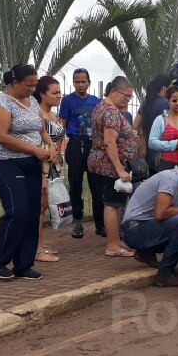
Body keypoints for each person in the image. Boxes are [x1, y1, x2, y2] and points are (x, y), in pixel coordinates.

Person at [0, 64, 58, 280]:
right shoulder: (1, 103)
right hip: (7, 163)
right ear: (15, 82)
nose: (32, 89)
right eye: (29, 85)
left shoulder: (32, 101)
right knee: (18, 211)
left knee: (33, 213)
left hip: (31, 164)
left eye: (35, 85)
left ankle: (24, 265)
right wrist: (34, 150)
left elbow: (41, 129)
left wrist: (51, 146)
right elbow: (1, 136)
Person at [121, 151, 178, 286]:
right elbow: (160, 214)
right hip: (134, 230)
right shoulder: (170, 179)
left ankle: (146, 252)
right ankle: (165, 274)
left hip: (143, 227)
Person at [87, 76, 138, 257]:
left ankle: (115, 241)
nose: (127, 100)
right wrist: (120, 169)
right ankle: (112, 246)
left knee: (114, 203)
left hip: (102, 162)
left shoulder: (101, 107)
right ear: (114, 91)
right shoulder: (110, 112)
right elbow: (110, 142)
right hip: (109, 165)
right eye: (126, 96)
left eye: (130, 97)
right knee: (112, 204)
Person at [58, 67, 102, 239]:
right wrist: (57, 149)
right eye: (77, 81)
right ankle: (77, 222)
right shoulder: (67, 101)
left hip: (93, 146)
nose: (80, 84)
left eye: (83, 81)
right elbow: (61, 125)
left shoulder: (96, 101)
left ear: (89, 83)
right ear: (73, 83)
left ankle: (101, 224)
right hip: (76, 145)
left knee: (97, 187)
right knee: (75, 186)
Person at [34, 76, 65, 263]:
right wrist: (43, 176)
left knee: (45, 206)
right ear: (42, 94)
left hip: (53, 165)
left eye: (59, 92)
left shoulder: (53, 115)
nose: (59, 96)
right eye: (54, 93)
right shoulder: (38, 114)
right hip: (42, 164)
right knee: (40, 207)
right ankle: (36, 249)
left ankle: (38, 243)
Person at [133, 74, 170, 173]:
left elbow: (135, 126)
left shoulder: (145, 103)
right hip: (161, 152)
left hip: (146, 151)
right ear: (164, 88)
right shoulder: (165, 105)